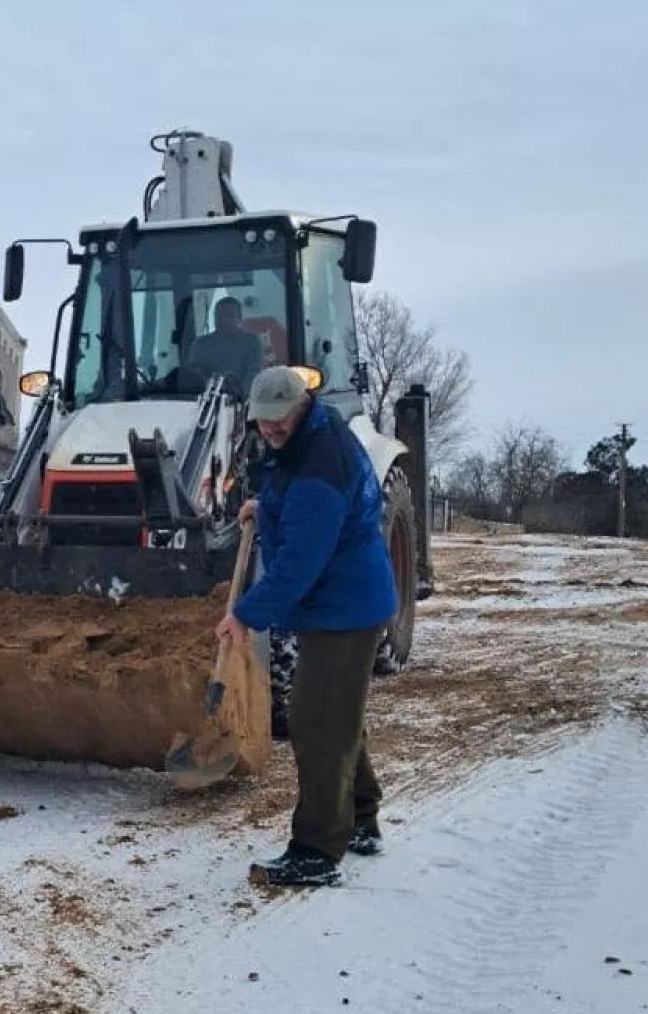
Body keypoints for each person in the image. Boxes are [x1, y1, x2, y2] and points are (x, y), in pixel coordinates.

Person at [215, 366, 398, 887]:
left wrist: (244, 615)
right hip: (341, 601)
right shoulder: (312, 435)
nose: (270, 431)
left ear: (303, 406)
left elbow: (298, 567)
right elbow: (286, 489)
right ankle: (362, 818)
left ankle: (318, 850)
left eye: (279, 421)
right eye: (262, 422)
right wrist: (264, 506)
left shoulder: (320, 468)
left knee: (316, 723)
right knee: (336, 715)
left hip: (345, 608)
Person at [187, 296, 265, 394]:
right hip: (205, 402)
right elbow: (194, 374)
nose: (223, 321)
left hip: (242, 404)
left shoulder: (251, 342)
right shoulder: (200, 344)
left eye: (229, 316)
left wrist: (240, 396)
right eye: (219, 316)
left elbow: (253, 372)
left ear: (240, 319)